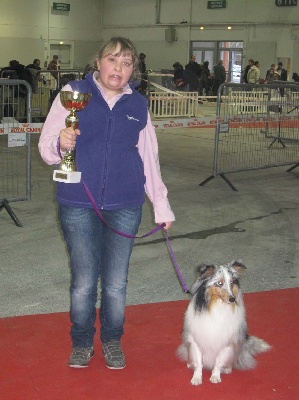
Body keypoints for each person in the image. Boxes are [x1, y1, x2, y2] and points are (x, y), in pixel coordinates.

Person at [38, 37, 175, 370]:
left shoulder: (138, 105)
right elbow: (46, 150)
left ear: (133, 70)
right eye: (113, 60)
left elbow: (149, 158)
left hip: (125, 204)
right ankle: (82, 342)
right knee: (84, 281)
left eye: (127, 63)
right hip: (77, 202)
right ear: (97, 63)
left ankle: (112, 340)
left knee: (116, 282)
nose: (119, 69)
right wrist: (61, 141)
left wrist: (161, 204)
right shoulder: (72, 94)